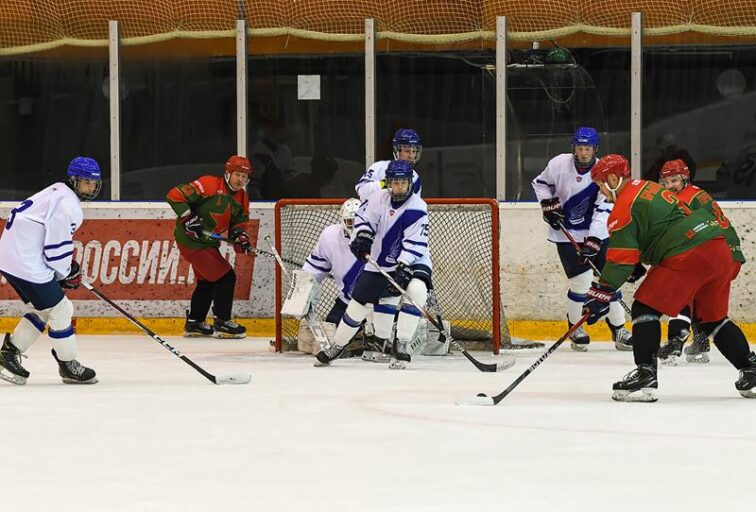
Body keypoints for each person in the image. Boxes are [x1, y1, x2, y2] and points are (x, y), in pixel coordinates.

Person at [583, 154, 756, 402]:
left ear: (612, 178)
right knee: (712, 318)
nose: (600, 190)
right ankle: (751, 368)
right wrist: (640, 261)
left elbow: (619, 263)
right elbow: (660, 226)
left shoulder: (623, 206)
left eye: (600, 183)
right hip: (717, 249)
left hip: (689, 252)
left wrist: (600, 292)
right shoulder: (647, 187)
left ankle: (645, 375)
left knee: (644, 306)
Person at [316, 160, 431, 369]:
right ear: (388, 183)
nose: (399, 187)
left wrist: (404, 266)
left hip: (414, 259)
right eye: (394, 183)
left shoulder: (417, 207)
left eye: (403, 183)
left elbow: (415, 243)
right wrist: (362, 237)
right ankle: (338, 345)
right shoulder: (378, 199)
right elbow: (364, 220)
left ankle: (402, 344)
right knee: (358, 303)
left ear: (409, 184)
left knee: (416, 290)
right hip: (379, 261)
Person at [0, 156, 101, 385]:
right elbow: (55, 248)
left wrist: (64, 271)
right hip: (25, 262)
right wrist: (65, 272)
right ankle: (68, 365)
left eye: (94, 183)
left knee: (46, 310)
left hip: (12, 257)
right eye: (86, 182)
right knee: (62, 310)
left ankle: (9, 353)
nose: (91, 187)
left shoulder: (56, 191)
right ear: (73, 180)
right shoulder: (68, 205)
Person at [531, 127, 632, 352]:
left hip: (598, 233)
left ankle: (619, 329)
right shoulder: (558, 163)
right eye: (579, 147)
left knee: (608, 281)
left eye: (587, 148)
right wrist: (548, 205)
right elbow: (540, 183)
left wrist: (594, 239)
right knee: (581, 282)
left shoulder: (603, 172)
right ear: (573, 148)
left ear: (595, 149)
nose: (583, 152)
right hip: (566, 234)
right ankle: (575, 327)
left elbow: (603, 210)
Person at [656, 159, 746, 365]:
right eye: (666, 181)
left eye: (675, 180)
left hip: (717, 255)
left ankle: (674, 342)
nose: (670, 185)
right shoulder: (696, 194)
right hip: (729, 257)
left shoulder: (684, 199)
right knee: (701, 300)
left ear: (685, 179)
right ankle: (701, 341)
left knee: (681, 292)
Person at [166, 155, 253, 339]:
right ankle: (222, 321)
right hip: (191, 240)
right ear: (228, 173)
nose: (241, 180)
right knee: (226, 277)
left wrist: (241, 237)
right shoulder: (209, 184)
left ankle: (195, 322)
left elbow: (238, 223)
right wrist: (189, 218)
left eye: (245, 177)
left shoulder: (242, 197)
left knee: (208, 281)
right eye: (237, 175)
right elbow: (175, 195)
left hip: (208, 243)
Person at [356, 128, 423, 202]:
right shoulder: (379, 167)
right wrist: (387, 183)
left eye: (414, 151)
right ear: (396, 150)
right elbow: (362, 191)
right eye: (407, 151)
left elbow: (414, 206)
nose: (411, 155)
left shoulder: (415, 178)